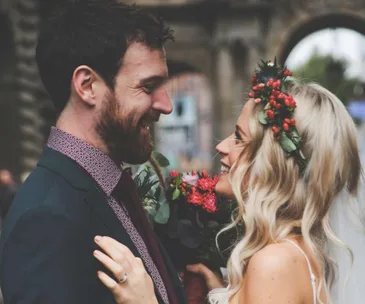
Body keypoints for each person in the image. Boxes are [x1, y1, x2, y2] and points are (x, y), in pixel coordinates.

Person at [95, 60, 362, 304]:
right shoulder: (294, 253)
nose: (222, 146)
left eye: (238, 138)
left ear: (272, 162)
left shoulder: (274, 264)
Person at [0, 1, 187, 303]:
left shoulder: (108, 190)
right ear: (87, 86)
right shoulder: (46, 219)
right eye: (148, 86)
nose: (166, 105)